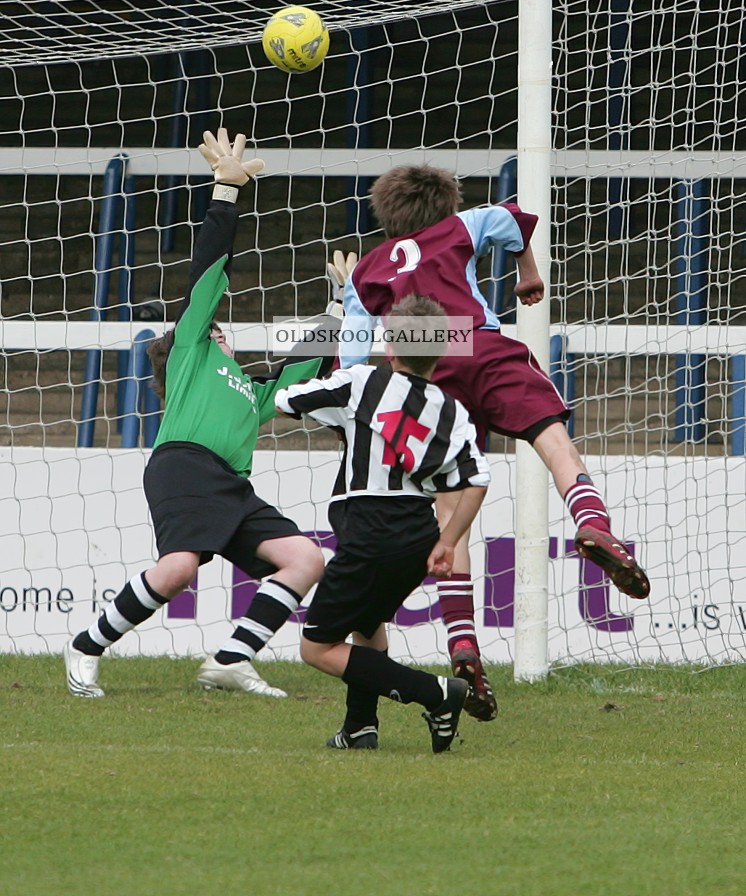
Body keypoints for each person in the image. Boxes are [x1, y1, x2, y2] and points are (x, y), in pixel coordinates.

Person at [337, 164, 651, 722]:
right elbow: (515, 220)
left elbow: (352, 360)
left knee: (449, 511)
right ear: (445, 202)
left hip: (426, 366)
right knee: (555, 443)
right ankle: (593, 523)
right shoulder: (462, 224)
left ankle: (463, 644)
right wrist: (528, 273)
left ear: (385, 215)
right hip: (477, 340)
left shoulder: (366, 269)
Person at [64, 129, 328, 700]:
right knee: (179, 569)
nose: (222, 325)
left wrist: (337, 310)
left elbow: (301, 371)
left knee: (306, 558)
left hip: (232, 486)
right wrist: (226, 194)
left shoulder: (248, 389)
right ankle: (86, 645)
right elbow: (208, 269)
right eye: (213, 322)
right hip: (182, 467)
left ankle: (231, 660)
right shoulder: (192, 351)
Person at [276, 295, 491, 753]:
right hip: (418, 534)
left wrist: (331, 320)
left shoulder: (362, 382)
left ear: (389, 346)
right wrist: (448, 542)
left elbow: (287, 399)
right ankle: (359, 726)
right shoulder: (451, 410)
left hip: (371, 529)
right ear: (440, 352)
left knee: (316, 648)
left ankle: (434, 694)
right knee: (368, 623)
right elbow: (476, 480)